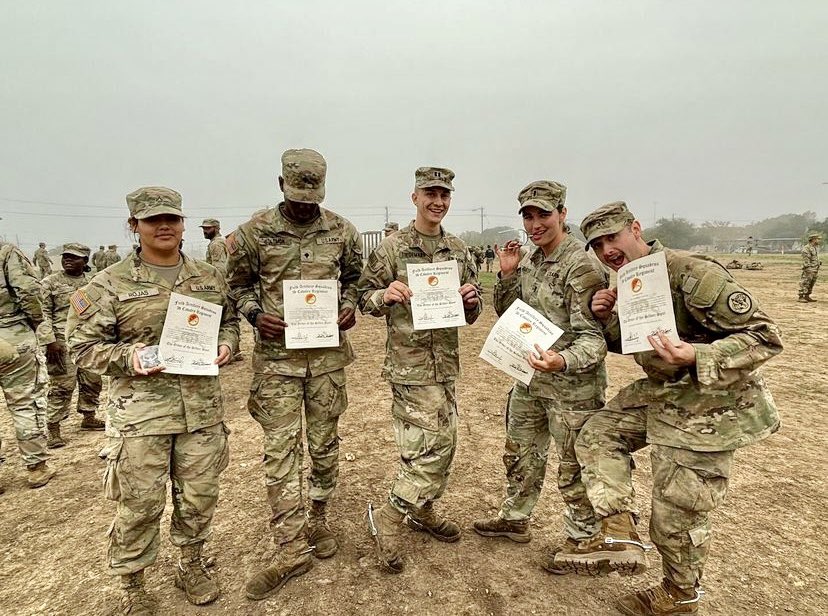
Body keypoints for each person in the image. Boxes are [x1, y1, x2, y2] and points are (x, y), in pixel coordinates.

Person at [552, 202, 782, 615]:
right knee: (598, 431)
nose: (607, 250)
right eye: (597, 244)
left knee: (676, 512)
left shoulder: (692, 272)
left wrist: (694, 355)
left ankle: (679, 594)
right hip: (664, 393)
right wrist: (605, 319)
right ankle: (619, 527)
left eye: (612, 238)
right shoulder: (631, 281)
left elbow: (764, 337)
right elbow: (639, 343)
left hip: (711, 408)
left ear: (636, 229)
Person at [67, 186, 239, 614]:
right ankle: (133, 583)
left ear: (183, 224)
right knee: (141, 502)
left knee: (199, 496)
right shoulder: (108, 284)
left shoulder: (208, 277)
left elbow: (230, 321)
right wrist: (129, 356)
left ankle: (192, 563)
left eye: (172, 219)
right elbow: (82, 348)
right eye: (152, 220)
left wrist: (228, 345)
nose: (164, 226)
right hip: (141, 415)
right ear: (134, 226)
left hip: (201, 411)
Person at [226, 149, 363, 601]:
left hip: (326, 362)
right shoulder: (254, 233)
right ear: (280, 184)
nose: (306, 204)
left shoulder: (342, 231)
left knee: (324, 445)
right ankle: (290, 547)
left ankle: (319, 517)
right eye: (298, 194)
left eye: (313, 195)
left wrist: (347, 307)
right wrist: (253, 314)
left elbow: (356, 281)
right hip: (278, 363)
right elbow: (237, 286)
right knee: (281, 452)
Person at [471, 181, 608, 573]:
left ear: (562, 214)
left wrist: (561, 362)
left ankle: (585, 540)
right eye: (528, 216)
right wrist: (509, 275)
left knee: (575, 466)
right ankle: (515, 518)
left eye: (543, 215)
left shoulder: (581, 266)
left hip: (572, 388)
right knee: (521, 454)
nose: (535, 224)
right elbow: (509, 314)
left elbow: (594, 340)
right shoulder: (531, 259)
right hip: (530, 380)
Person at [357, 166, 482, 573]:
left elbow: (472, 313)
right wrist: (384, 294)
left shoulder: (459, 251)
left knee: (432, 444)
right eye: (430, 193)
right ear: (414, 198)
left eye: (444, 195)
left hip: (445, 365)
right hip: (409, 367)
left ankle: (422, 510)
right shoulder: (391, 249)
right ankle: (390, 516)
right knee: (435, 447)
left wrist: (469, 302)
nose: (438, 202)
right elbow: (363, 299)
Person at [0, 240, 56, 492]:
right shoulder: (7, 252)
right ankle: (36, 468)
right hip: (11, 333)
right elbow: (28, 291)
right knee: (24, 402)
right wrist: (34, 323)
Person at [41, 242, 104, 448]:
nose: (68, 259)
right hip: (61, 342)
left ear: (85, 261)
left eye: (74, 257)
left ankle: (89, 416)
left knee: (92, 380)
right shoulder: (50, 282)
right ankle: (53, 428)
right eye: (65, 256)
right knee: (61, 385)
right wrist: (50, 341)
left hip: (89, 340)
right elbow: (43, 314)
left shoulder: (93, 283)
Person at [798, 231, 822, 302]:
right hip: (810, 269)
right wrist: (808, 268)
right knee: (805, 282)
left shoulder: (814, 248)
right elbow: (806, 259)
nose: (819, 241)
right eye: (818, 239)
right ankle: (801, 296)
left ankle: (807, 296)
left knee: (811, 283)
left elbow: (814, 257)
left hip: (815, 269)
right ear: (813, 239)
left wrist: (818, 262)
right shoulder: (807, 248)